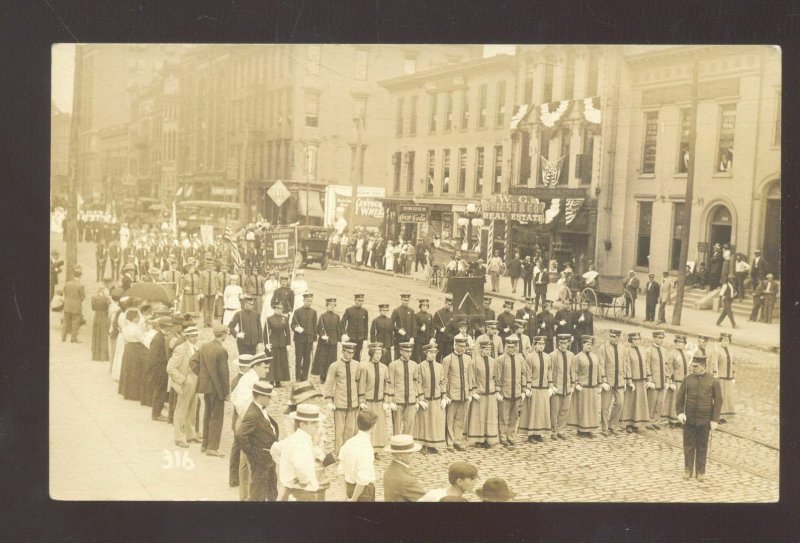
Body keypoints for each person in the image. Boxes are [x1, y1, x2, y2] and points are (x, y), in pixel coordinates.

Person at [676, 354, 722, 482]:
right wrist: (680, 413)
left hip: (705, 420)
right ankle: (688, 470)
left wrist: (714, 420)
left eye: (695, 366)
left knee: (702, 446)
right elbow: (679, 398)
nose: (692, 368)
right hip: (689, 419)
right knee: (688, 446)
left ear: (703, 366)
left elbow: (718, 401)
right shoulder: (687, 379)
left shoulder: (713, 381)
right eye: (692, 366)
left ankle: (701, 471)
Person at [230, 352, 270, 493]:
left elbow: (233, 397)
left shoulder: (250, 377)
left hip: (245, 421)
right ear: (257, 365)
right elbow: (240, 403)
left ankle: (245, 495)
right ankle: (250, 496)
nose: (267, 370)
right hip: (247, 422)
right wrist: (254, 422)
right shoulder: (251, 381)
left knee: (244, 463)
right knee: (251, 462)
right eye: (265, 367)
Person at [235, 379, 280, 501]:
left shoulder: (259, 409)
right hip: (260, 459)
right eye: (268, 397)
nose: (270, 399)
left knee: (272, 491)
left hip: (267, 458)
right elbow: (240, 435)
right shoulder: (253, 414)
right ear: (260, 396)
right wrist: (253, 454)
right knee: (257, 494)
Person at [190, 324, 230, 457]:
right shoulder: (221, 351)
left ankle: (205, 444)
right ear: (223, 334)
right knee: (216, 417)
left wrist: (202, 376)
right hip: (217, 389)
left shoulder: (204, 347)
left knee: (207, 414)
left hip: (206, 387)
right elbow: (224, 375)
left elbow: (193, 362)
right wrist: (226, 393)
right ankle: (212, 447)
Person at [273, 404, 325, 501]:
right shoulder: (301, 443)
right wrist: (304, 481)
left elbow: (275, 449)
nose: (318, 425)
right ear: (302, 424)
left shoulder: (295, 438)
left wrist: (284, 465)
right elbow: (299, 467)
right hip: (301, 493)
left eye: (317, 421)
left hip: (292, 490)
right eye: (314, 422)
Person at [324, 342, 363, 456]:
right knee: (339, 430)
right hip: (340, 402)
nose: (350, 355)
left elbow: (359, 383)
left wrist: (361, 400)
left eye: (352, 353)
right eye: (348, 352)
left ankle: (348, 453)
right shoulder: (334, 365)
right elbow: (329, 383)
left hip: (353, 402)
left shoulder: (357, 365)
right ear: (343, 351)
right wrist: (329, 400)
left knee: (350, 430)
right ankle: (338, 452)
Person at [166, 324, 200, 448]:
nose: (195, 338)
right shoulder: (180, 349)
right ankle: (179, 438)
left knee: (192, 409)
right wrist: (182, 379)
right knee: (181, 410)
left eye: (196, 335)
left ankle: (190, 434)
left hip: (195, 381)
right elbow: (170, 368)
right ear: (187, 337)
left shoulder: (196, 348)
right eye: (192, 336)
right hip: (185, 382)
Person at [568, 336, 608, 438]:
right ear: (583, 344)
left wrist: (600, 383)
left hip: (592, 387)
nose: (589, 346)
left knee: (591, 409)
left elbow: (598, 371)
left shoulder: (595, 357)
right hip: (582, 387)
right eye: (587, 344)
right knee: (583, 409)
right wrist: (576, 383)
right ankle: (581, 430)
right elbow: (574, 371)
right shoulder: (577, 357)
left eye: (591, 344)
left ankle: (589, 430)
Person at [441, 337, 474, 451]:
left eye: (464, 346)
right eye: (460, 346)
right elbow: (443, 378)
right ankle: (449, 443)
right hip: (452, 394)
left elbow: (470, 376)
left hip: (464, 394)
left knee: (460, 419)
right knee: (450, 419)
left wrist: (470, 392)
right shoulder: (447, 359)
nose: (463, 348)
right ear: (455, 346)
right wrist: (445, 395)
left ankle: (457, 441)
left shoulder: (468, 359)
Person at [338, 410, 379, 501]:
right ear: (373, 427)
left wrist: (344, 494)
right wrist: (353, 499)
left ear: (357, 424)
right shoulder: (366, 448)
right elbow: (363, 479)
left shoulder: (348, 443)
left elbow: (341, 470)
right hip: (363, 493)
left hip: (348, 488)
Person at [520, 335, 553, 443]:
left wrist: (550, 386)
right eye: (539, 344)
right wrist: (527, 388)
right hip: (533, 388)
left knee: (542, 411)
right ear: (534, 345)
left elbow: (549, 371)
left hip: (543, 388)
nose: (541, 346)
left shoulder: (547, 357)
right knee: (533, 412)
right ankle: (531, 435)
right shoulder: (529, 357)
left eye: (543, 344)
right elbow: (527, 373)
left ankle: (539, 433)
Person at [496, 336, 528, 448]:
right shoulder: (501, 359)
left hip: (517, 392)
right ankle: (503, 437)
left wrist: (524, 390)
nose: (510, 349)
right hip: (505, 393)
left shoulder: (520, 359)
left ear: (517, 347)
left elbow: (524, 374)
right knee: (503, 417)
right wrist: (498, 391)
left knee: (514, 417)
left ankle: (511, 436)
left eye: (512, 347)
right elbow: (498, 376)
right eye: (508, 347)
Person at [358, 343, 389, 454]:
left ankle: (377, 450)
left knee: (379, 425)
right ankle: (367, 449)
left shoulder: (384, 368)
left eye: (380, 353)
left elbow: (386, 385)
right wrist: (361, 400)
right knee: (368, 424)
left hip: (379, 402)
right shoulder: (365, 367)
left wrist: (386, 400)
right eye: (376, 353)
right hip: (369, 402)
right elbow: (362, 384)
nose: (378, 355)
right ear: (371, 354)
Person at [622, 332, 653, 433]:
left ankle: (636, 423)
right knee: (630, 402)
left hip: (642, 380)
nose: (636, 341)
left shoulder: (643, 351)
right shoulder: (627, 351)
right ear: (630, 340)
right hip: (633, 380)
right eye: (634, 339)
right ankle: (628, 424)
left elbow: (646, 365)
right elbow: (627, 367)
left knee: (639, 402)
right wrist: (629, 381)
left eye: (638, 339)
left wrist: (649, 378)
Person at [386, 342, 420, 436]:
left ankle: (407, 445)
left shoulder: (414, 365)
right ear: (401, 351)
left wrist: (417, 400)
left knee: (409, 425)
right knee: (396, 426)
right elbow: (390, 384)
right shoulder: (393, 365)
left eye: (410, 351)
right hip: (398, 400)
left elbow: (416, 383)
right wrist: (390, 401)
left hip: (411, 400)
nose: (409, 354)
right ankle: (397, 445)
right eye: (406, 351)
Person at [382, 434, 425, 502]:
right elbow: (424, 498)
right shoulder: (405, 480)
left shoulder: (389, 470)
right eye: (410, 452)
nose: (414, 455)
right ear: (399, 455)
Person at [599, 329, 626, 435]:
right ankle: (604, 428)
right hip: (608, 381)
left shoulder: (622, 348)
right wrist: (603, 380)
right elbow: (601, 365)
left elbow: (623, 364)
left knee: (620, 403)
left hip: (619, 381)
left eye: (615, 337)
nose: (613, 338)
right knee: (605, 406)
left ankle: (612, 424)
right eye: (611, 336)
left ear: (619, 337)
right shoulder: (603, 348)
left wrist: (623, 379)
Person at [549, 334, 576, 440]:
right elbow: (550, 371)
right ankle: (553, 431)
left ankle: (561, 430)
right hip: (557, 387)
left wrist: (573, 384)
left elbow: (572, 370)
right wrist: (551, 385)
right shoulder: (553, 355)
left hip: (567, 387)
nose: (563, 346)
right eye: (561, 343)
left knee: (564, 410)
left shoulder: (571, 355)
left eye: (565, 343)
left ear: (568, 343)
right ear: (558, 343)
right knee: (554, 411)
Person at [147, 316, 173, 422]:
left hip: (161, 370)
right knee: (159, 392)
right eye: (169, 326)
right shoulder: (158, 339)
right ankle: (156, 414)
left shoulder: (161, 336)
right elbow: (153, 358)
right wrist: (157, 371)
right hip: (159, 371)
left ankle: (158, 412)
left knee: (161, 392)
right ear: (165, 327)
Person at [311, 298, 340, 384]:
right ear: (326, 306)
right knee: (323, 359)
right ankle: (322, 376)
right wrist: (322, 335)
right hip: (324, 342)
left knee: (332, 359)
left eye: (333, 305)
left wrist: (339, 339)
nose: (332, 307)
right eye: (330, 305)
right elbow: (319, 328)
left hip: (333, 341)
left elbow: (338, 328)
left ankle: (330, 376)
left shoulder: (337, 316)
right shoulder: (322, 316)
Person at [663, 334, 689, 428]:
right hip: (675, 381)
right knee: (674, 400)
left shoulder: (686, 354)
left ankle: (680, 419)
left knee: (683, 401)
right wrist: (669, 380)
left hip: (684, 381)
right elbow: (669, 368)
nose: (680, 344)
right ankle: (672, 420)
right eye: (678, 342)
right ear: (675, 343)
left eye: (682, 342)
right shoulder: (672, 354)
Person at [292, 292, 318, 382]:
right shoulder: (297, 311)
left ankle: (304, 378)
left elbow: (315, 327)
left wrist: (315, 340)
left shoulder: (314, 312)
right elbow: (292, 324)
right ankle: (298, 378)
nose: (309, 303)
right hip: (299, 340)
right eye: (307, 301)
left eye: (310, 301)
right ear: (303, 301)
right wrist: (296, 328)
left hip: (309, 340)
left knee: (307, 360)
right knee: (299, 359)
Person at [646, 330, 669, 430]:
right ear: (654, 338)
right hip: (654, 381)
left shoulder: (664, 351)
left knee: (660, 402)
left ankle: (656, 421)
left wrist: (667, 379)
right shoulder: (649, 350)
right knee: (652, 402)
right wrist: (649, 379)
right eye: (659, 338)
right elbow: (647, 365)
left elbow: (666, 366)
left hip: (662, 381)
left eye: (662, 338)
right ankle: (648, 421)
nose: (661, 340)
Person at [265, 301, 291, 386]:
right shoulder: (269, 319)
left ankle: (279, 380)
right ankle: (272, 380)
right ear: (274, 309)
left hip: (282, 343)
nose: (279, 310)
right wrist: (266, 343)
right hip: (273, 342)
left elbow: (287, 332)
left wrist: (288, 344)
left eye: (281, 309)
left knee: (281, 362)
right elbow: (265, 332)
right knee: (273, 362)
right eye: (278, 308)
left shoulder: (285, 319)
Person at [340, 293, 369, 362]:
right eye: (359, 300)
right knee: (348, 355)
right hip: (350, 338)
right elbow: (342, 323)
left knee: (357, 356)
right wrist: (343, 334)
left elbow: (366, 326)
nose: (361, 302)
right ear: (355, 300)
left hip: (360, 338)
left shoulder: (364, 311)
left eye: (362, 301)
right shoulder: (349, 310)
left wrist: (365, 339)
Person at [715, 333, 736, 424]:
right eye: (723, 340)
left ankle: (723, 415)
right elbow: (714, 364)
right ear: (720, 341)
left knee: (727, 396)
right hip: (720, 377)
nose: (725, 342)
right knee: (719, 396)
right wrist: (715, 374)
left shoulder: (731, 351)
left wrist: (734, 375)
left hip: (729, 377)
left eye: (727, 340)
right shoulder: (717, 351)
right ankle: (717, 416)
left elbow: (733, 364)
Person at [61, 266, 86, 343]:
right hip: (76, 307)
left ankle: (63, 337)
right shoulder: (80, 285)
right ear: (80, 276)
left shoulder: (67, 284)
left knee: (66, 321)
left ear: (73, 275)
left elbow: (65, 294)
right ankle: (73, 338)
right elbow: (83, 297)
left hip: (67, 305)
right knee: (75, 322)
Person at [391, 294, 417, 361]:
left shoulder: (411, 311)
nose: (406, 302)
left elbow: (414, 325)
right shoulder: (396, 311)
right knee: (398, 357)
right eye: (405, 300)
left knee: (408, 357)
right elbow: (390, 324)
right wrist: (398, 330)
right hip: (399, 339)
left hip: (408, 339)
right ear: (401, 300)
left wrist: (412, 337)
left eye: (408, 300)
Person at [90, 286, 111, 362]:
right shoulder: (106, 299)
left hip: (96, 317)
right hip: (104, 317)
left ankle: (96, 355)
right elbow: (110, 308)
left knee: (96, 336)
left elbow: (93, 308)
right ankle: (103, 356)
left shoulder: (94, 298)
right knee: (103, 336)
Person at [433, 295, 455, 361]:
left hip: (448, 339)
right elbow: (434, 324)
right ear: (445, 303)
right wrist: (440, 329)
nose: (450, 306)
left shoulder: (452, 314)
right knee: (439, 355)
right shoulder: (438, 313)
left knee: (447, 356)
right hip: (440, 338)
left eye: (451, 305)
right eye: (448, 304)